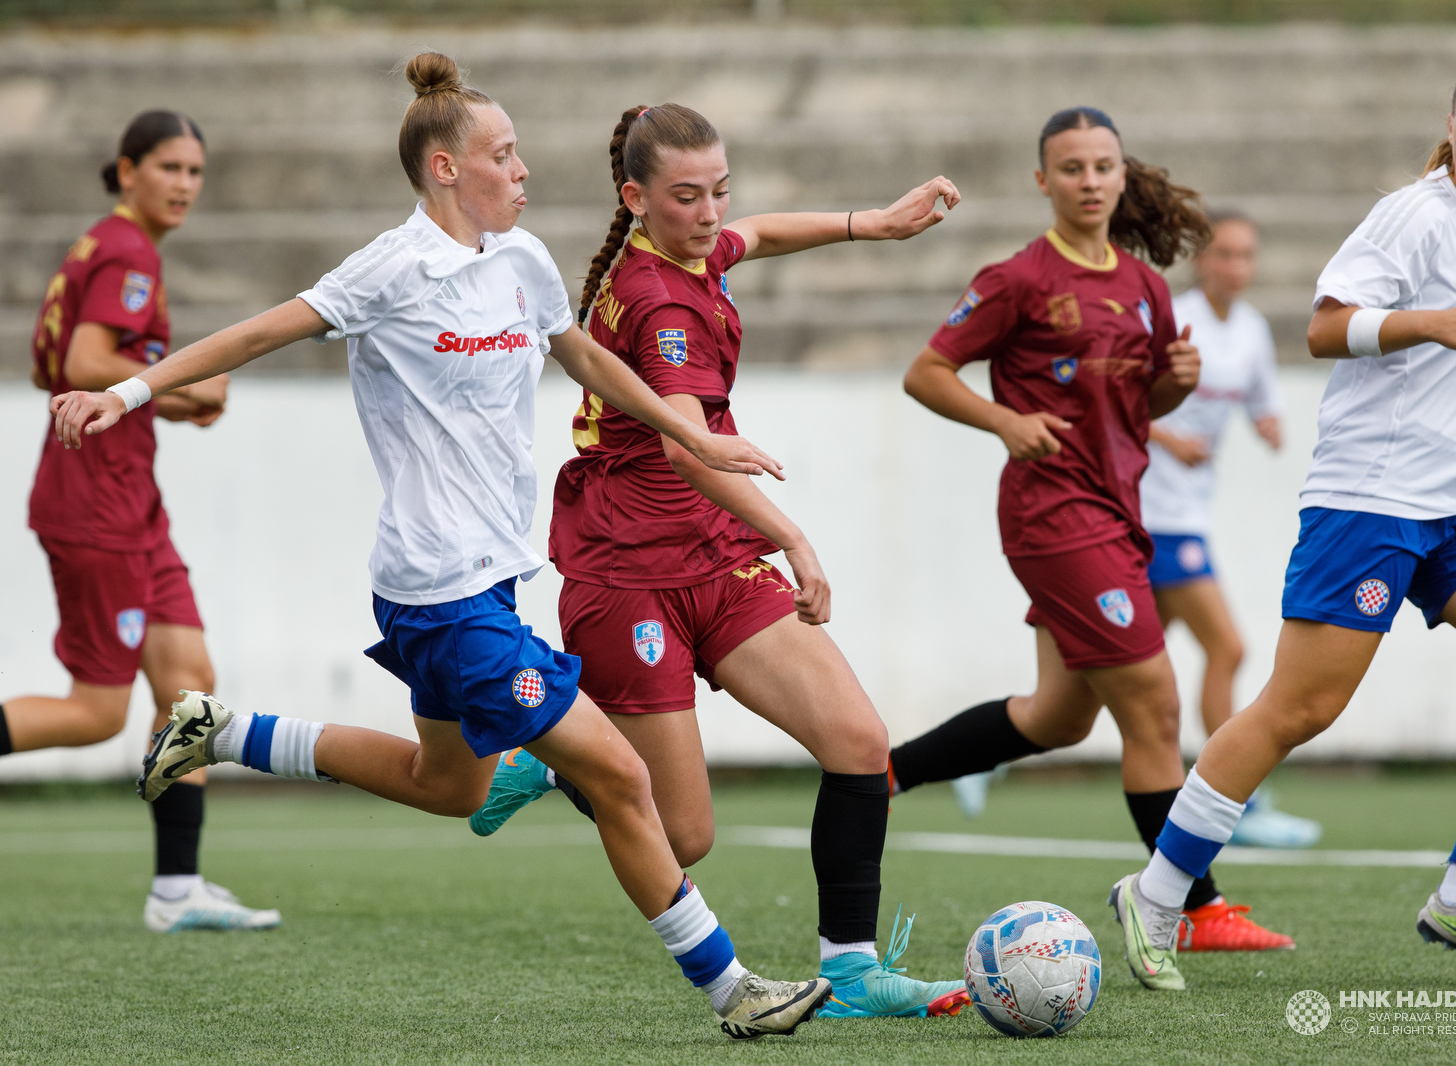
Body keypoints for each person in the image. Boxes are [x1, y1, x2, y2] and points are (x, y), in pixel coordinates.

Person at [51, 54, 831, 1039]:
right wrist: (124, 393)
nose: (524, 170)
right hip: (437, 590)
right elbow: (255, 336)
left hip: (491, 585)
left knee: (449, 785)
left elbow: (584, 354)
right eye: (503, 155)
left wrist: (694, 434)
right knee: (622, 777)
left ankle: (224, 731)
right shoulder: (391, 269)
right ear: (446, 170)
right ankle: (735, 992)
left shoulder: (522, 261)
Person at [466, 102, 971, 1020]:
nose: (709, 214)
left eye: (717, 191)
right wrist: (794, 536)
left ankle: (850, 974)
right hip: (629, 571)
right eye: (686, 197)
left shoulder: (691, 252)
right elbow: (685, 449)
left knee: (857, 744)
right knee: (684, 835)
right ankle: (565, 755)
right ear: (636, 197)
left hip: (713, 552)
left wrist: (873, 223)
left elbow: (758, 234)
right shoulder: (658, 303)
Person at [1109, 52, 1456, 991]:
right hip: (1370, 498)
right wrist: (1430, 322)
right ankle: (1157, 895)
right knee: (1300, 708)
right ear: (1452, 126)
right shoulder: (1410, 215)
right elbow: (1326, 329)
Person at [883, 107, 1294, 955]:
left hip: (1116, 510)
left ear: (1120, 172)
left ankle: (886, 773)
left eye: (1103, 165)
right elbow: (925, 374)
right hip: (1051, 516)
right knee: (1155, 704)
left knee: (1057, 718)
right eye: (1070, 168)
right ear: (1044, 181)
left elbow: (1138, 412)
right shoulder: (1018, 279)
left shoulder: (1144, 287)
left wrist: (1175, 384)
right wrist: (1003, 421)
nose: (1090, 181)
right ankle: (1195, 910)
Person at [3, 110, 273, 932]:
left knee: (188, 686)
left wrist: (170, 399)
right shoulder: (124, 251)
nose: (185, 184)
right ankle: (176, 886)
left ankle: (176, 890)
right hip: (97, 512)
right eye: (168, 168)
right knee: (95, 713)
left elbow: (64, 368)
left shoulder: (101, 247)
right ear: (126, 172)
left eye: (195, 170)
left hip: (133, 509)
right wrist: (189, 388)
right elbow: (86, 364)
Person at [1141, 210, 1321, 849]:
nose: (1237, 267)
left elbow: (1260, 402)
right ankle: (1234, 801)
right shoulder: (1171, 319)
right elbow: (1118, 402)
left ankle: (995, 751)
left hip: (1189, 511)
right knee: (1229, 648)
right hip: (1153, 513)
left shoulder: (1248, 330)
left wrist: (1268, 425)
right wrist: (1168, 437)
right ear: (1201, 259)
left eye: (1247, 255)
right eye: (1225, 254)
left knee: (1113, 670)